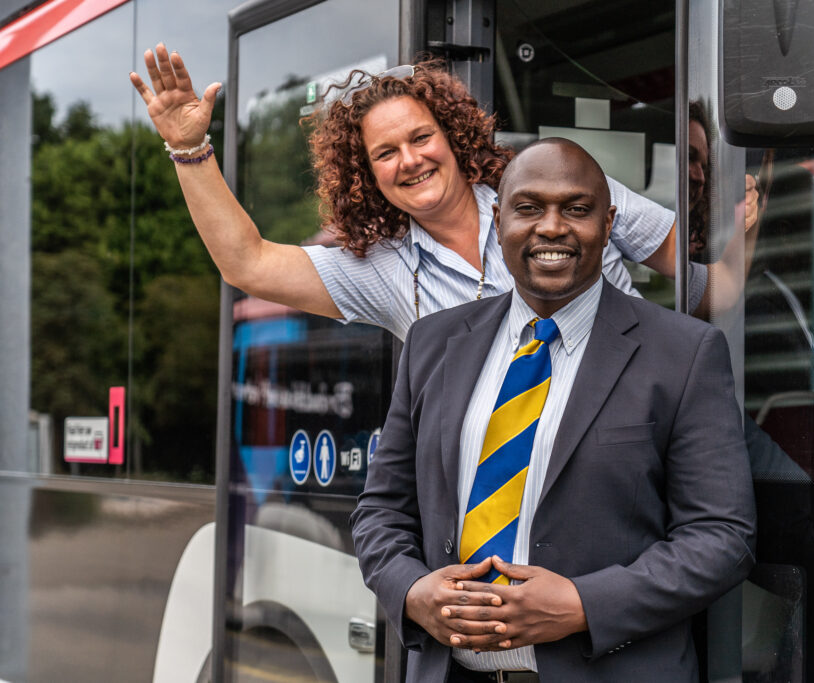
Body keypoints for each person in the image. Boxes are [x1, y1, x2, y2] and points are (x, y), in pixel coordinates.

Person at [350, 138, 756, 682]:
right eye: (529, 208)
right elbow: (381, 511)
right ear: (499, 221)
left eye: (577, 209)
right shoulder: (433, 343)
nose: (551, 227)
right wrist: (413, 590)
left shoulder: (684, 353)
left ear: (608, 223)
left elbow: (722, 536)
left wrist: (582, 604)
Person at [128, 47, 757, 340]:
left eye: (421, 137)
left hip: (624, 455)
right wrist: (190, 149)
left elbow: (713, 292)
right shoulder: (377, 270)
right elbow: (248, 263)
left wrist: (753, 223)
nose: (410, 160)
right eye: (384, 153)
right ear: (366, 175)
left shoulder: (559, 188)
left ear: (452, 137)